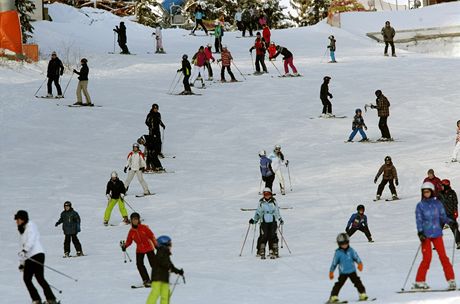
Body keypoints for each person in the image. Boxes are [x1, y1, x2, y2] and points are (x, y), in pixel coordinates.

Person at [413, 182, 456, 290]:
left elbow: (443, 217)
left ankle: (451, 280)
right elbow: (419, 220)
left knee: (443, 257)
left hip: (437, 233)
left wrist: (451, 222)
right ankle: (419, 281)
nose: (426, 193)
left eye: (428, 191)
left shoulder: (438, 204)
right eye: (424, 192)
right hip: (426, 235)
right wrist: (420, 232)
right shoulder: (420, 205)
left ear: (432, 192)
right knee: (427, 258)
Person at [15, 210, 59, 304]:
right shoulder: (22, 231)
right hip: (29, 257)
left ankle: (47, 299)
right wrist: (22, 263)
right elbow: (22, 247)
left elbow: (31, 239)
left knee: (36, 277)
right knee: (30, 278)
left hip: (37, 254)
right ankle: (41, 299)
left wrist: (25, 250)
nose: (16, 221)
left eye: (18, 219)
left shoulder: (31, 225)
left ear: (23, 219)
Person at [328, 233, 368, 303]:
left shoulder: (351, 250)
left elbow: (356, 257)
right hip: (343, 272)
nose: (344, 245)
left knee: (357, 282)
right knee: (339, 284)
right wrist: (331, 272)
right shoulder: (338, 253)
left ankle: (362, 294)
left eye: (346, 243)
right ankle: (333, 297)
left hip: (352, 271)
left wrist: (359, 263)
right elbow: (334, 263)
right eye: (342, 243)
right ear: (339, 244)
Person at [121, 212, 158, 287]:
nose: (135, 221)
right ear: (131, 220)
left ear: (138, 220)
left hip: (149, 247)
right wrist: (125, 246)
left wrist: (156, 244)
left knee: (153, 264)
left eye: (136, 219)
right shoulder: (131, 232)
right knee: (139, 265)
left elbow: (151, 236)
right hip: (139, 250)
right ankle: (146, 280)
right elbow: (129, 241)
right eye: (133, 219)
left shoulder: (144, 228)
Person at [146, 235, 184, 304]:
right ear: (165, 244)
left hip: (164, 278)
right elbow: (162, 261)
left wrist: (178, 271)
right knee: (155, 293)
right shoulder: (161, 251)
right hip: (157, 278)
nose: (170, 246)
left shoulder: (166, 254)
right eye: (169, 244)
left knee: (165, 295)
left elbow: (170, 266)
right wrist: (169, 266)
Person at [249, 188, 283, 259]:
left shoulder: (273, 201)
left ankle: (274, 250)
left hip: (272, 221)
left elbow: (276, 211)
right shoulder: (261, 202)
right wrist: (254, 220)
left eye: (268, 194)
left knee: (273, 235)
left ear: (271, 194)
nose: (267, 196)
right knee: (264, 236)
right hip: (263, 222)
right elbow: (258, 212)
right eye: (265, 194)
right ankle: (261, 251)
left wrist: (280, 219)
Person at [438, 179, 460, 249]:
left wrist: (456, 211)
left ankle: (459, 242)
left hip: (450, 214)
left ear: (446, 186)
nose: (441, 187)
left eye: (442, 185)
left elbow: (455, 203)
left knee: (454, 228)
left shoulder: (452, 193)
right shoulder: (440, 194)